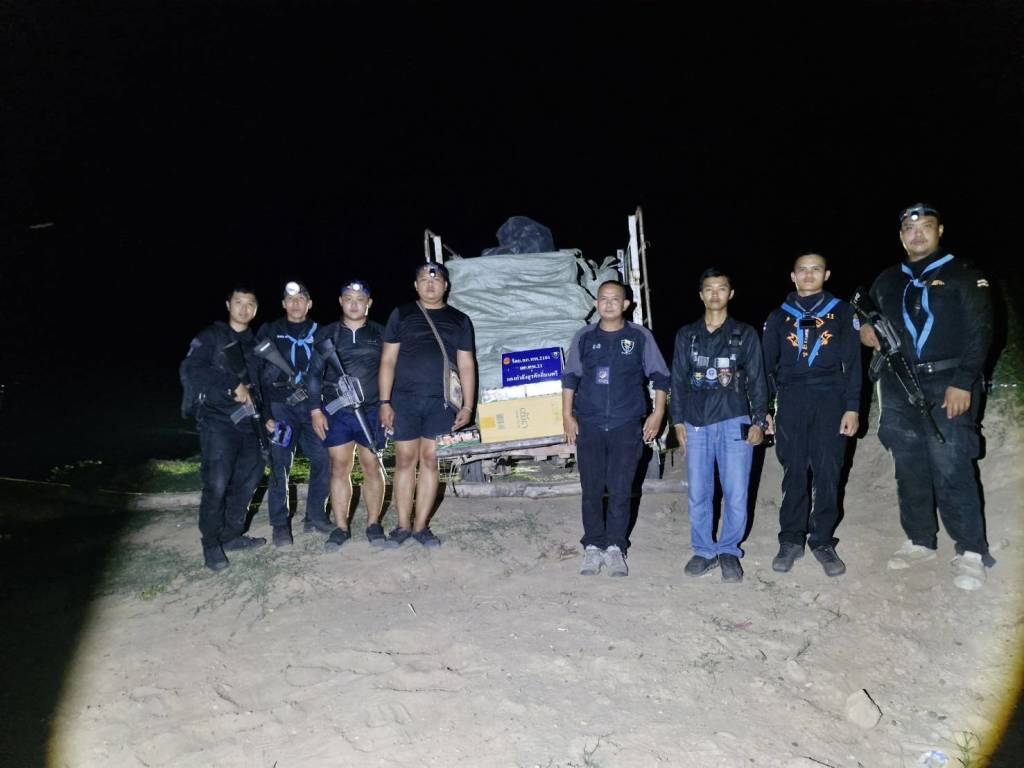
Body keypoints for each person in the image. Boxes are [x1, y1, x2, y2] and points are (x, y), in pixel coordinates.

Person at [860, 203, 993, 590]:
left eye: (926, 226)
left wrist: (964, 381)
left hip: (948, 381)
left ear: (940, 231)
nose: (917, 234)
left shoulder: (963, 272)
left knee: (952, 463)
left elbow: (981, 329)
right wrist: (864, 332)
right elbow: (866, 320)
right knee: (909, 466)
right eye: (909, 228)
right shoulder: (887, 279)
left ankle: (971, 551)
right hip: (898, 384)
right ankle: (920, 540)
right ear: (901, 236)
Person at [562, 280, 670, 577]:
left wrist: (658, 413)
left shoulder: (639, 336)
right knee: (591, 488)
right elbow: (570, 377)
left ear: (626, 305)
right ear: (595, 304)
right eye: (603, 299)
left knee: (621, 488)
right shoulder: (584, 337)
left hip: (626, 423)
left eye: (615, 299)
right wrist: (567, 415)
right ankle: (592, 546)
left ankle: (615, 547)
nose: (609, 304)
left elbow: (660, 377)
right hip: (590, 423)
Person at [762, 253, 861, 577]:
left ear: (826, 274)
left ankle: (822, 540)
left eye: (815, 269)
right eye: (802, 270)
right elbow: (765, 367)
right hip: (791, 399)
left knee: (829, 470)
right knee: (794, 471)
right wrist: (765, 409)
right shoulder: (778, 316)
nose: (808, 274)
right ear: (792, 276)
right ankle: (791, 539)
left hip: (831, 398)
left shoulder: (842, 312)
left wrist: (852, 406)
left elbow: (854, 365)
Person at [670, 268, 768, 583]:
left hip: (734, 419)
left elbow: (758, 380)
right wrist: (678, 421)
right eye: (709, 289)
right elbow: (678, 381)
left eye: (721, 288)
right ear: (701, 295)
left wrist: (758, 420)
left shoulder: (745, 333)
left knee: (736, 491)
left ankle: (728, 550)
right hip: (696, 423)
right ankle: (703, 550)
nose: (715, 294)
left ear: (731, 293)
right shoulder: (687, 335)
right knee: (699, 491)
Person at [378, 262, 476, 548]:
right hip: (404, 400)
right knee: (405, 461)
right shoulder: (401, 314)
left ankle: (421, 527)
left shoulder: (460, 320)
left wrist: (468, 406)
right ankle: (402, 526)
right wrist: (384, 401)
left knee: (431, 461)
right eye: (423, 279)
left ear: (445, 285)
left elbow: (467, 364)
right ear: (415, 285)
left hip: (441, 403)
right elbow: (388, 360)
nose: (430, 284)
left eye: (436, 280)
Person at [180, 287, 269, 571]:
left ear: (255, 310)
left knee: (248, 481)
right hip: (218, 421)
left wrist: (267, 417)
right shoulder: (212, 336)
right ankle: (211, 544)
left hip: (251, 424)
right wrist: (231, 384)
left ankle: (231, 536)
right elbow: (191, 369)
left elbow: (261, 387)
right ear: (228, 305)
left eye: (250, 304)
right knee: (217, 483)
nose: (244, 308)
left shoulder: (257, 344)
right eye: (238, 302)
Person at [308, 280, 395, 551]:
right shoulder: (326, 334)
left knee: (372, 465)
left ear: (369, 303)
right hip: (337, 412)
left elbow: (392, 369)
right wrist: (315, 410)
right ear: (340, 301)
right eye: (348, 298)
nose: (354, 304)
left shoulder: (382, 333)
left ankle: (373, 524)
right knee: (339, 467)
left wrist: (388, 405)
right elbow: (314, 375)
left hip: (372, 411)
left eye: (360, 299)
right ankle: (341, 527)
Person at [256, 281, 333, 547]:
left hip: (311, 409)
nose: (296, 303)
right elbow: (257, 375)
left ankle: (315, 516)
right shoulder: (270, 331)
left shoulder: (321, 332)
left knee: (323, 458)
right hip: (280, 409)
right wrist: (265, 413)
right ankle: (280, 525)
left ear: (309, 304)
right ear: (283, 304)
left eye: (301, 299)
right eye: (290, 299)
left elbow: (330, 372)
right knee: (279, 464)